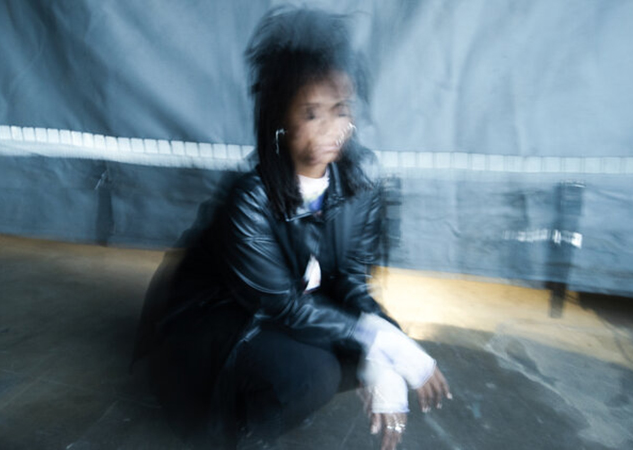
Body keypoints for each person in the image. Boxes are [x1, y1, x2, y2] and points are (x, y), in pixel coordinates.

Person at [132, 7, 451, 450]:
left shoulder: (358, 184)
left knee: (370, 347)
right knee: (316, 374)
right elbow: (282, 305)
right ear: (281, 118)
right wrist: (383, 343)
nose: (330, 129)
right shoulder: (250, 198)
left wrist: (386, 361)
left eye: (340, 110)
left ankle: (281, 386)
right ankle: (244, 434)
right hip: (218, 324)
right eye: (311, 114)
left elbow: (352, 283)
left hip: (288, 311)